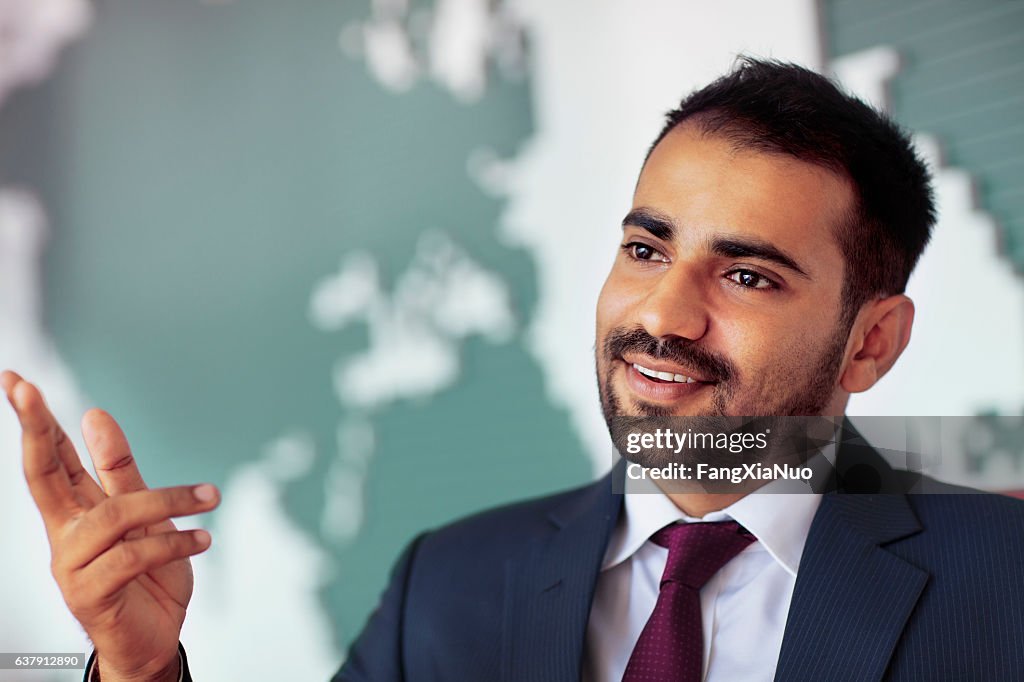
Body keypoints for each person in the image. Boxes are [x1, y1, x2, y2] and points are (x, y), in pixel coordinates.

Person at [5, 58, 1024, 682]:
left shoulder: (1004, 583)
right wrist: (141, 674)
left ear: (871, 341)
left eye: (748, 274)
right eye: (646, 248)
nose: (662, 314)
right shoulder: (446, 587)